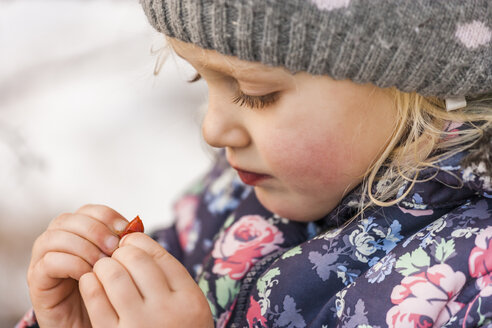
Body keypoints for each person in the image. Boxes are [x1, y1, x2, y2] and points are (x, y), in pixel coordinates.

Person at [18, 0, 492, 327]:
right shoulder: (238, 195)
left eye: (255, 93)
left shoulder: (474, 282)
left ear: (419, 87)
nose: (213, 129)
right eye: (198, 79)